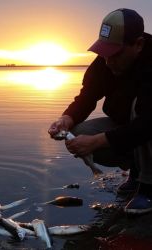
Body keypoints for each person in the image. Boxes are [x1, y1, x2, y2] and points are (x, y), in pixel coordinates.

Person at [49, 8, 152, 215]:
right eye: (104, 53)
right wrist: (66, 118)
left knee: (140, 111)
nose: (108, 61)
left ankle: (149, 187)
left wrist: (97, 141)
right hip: (129, 126)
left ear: (138, 44)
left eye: (115, 54)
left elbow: (148, 124)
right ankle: (137, 171)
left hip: (149, 124)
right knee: (78, 131)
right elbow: (86, 98)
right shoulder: (105, 62)